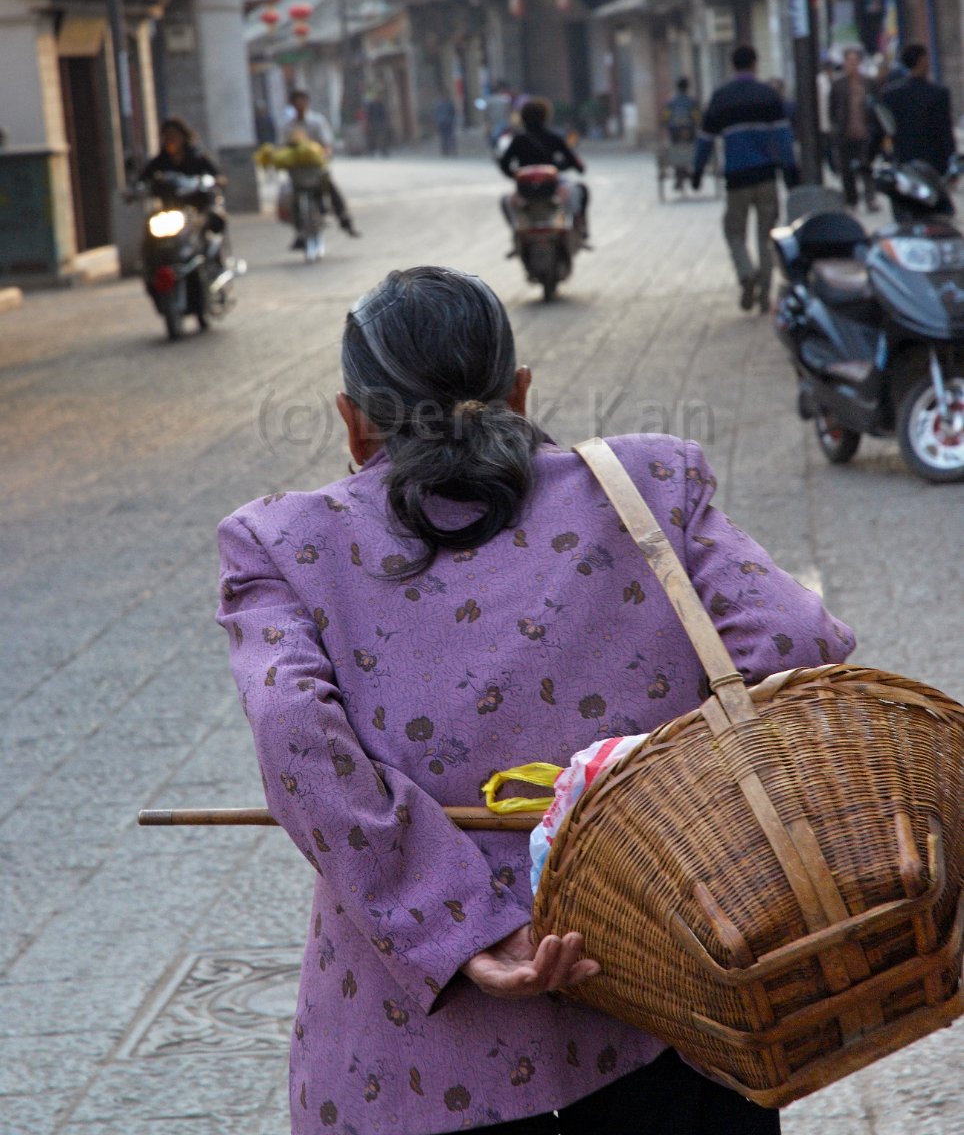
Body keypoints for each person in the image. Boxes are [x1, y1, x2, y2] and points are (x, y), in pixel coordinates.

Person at [217, 265, 856, 1135]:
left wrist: (462, 925)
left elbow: (295, 734)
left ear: (354, 422)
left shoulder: (282, 542)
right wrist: (642, 790)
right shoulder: (648, 483)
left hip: (421, 1071)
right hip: (673, 1002)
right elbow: (795, 642)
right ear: (519, 392)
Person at [692, 46, 798, 314]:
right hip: (766, 177)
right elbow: (784, 137)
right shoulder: (768, 95)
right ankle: (764, 295)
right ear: (754, 64)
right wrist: (790, 171)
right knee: (766, 236)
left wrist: (697, 171)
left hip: (736, 179)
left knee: (733, 231)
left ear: (732, 65)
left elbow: (705, 139)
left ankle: (745, 272)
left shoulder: (721, 97)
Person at [498, 97, 590, 249]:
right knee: (582, 190)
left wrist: (517, 175)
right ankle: (581, 229)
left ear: (523, 118)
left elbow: (504, 165)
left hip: (525, 191)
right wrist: (564, 166)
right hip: (554, 188)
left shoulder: (518, 140)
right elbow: (573, 161)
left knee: (505, 201)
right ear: (546, 117)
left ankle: (516, 235)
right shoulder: (554, 137)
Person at [139, 116, 227, 254]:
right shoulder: (160, 160)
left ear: (183, 136)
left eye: (174, 135)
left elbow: (216, 175)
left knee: (214, 221)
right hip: (170, 209)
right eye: (167, 136)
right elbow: (143, 178)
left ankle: (213, 255)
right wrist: (134, 189)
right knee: (150, 228)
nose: (171, 140)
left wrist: (217, 180)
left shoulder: (196, 156)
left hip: (197, 207)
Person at [283, 90, 361, 240]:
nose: (300, 106)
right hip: (297, 171)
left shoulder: (317, 122)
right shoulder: (288, 126)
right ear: (292, 105)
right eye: (296, 104)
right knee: (292, 198)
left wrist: (325, 152)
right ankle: (298, 232)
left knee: (331, 189)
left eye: (302, 103)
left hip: (315, 168)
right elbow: (283, 147)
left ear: (307, 103)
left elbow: (326, 143)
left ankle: (345, 220)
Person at [876, 43, 956, 177]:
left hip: (904, 164)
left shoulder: (890, 95)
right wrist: (952, 161)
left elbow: (880, 130)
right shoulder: (938, 94)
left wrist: (871, 158)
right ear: (922, 61)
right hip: (935, 166)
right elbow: (945, 132)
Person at [829, 49, 879, 213]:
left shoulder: (868, 83)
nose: (852, 65)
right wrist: (836, 129)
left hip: (865, 132)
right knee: (847, 171)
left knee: (866, 167)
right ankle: (852, 199)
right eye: (849, 62)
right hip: (845, 133)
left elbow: (876, 106)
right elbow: (833, 110)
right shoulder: (838, 85)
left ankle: (870, 198)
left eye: (855, 61)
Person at [661, 77, 701, 191]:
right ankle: (686, 172)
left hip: (675, 134)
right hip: (689, 134)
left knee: (675, 150)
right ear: (687, 87)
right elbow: (698, 119)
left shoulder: (671, 102)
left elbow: (664, 119)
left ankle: (680, 174)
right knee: (691, 149)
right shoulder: (692, 102)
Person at [364, 92, 391, 157]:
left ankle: (383, 151)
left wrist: (384, 122)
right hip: (373, 123)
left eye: (378, 96)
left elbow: (384, 114)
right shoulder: (371, 105)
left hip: (380, 123)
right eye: (376, 96)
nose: (377, 98)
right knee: (372, 138)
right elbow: (369, 114)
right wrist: (369, 123)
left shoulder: (381, 105)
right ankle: (371, 151)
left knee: (382, 138)